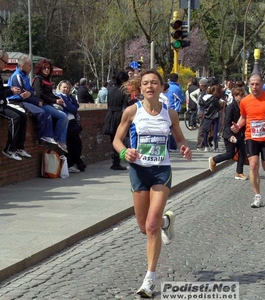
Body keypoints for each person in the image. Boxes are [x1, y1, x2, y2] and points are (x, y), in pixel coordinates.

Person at [112, 69, 192, 298]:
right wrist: (124, 152)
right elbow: (117, 140)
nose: (150, 86)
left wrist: (185, 147)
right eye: (146, 83)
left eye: (154, 83)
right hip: (138, 172)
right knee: (142, 226)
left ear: (161, 87)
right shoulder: (131, 111)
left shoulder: (171, 114)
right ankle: (167, 221)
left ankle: (149, 278)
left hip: (161, 172)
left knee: (150, 226)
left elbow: (179, 138)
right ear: (140, 88)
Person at [231, 73, 265, 208]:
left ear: (262, 84)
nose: (254, 87)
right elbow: (244, 117)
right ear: (249, 85)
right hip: (251, 137)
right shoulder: (245, 101)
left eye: (257, 84)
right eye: (252, 84)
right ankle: (257, 197)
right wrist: (238, 126)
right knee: (253, 165)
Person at [7, 55, 57, 147]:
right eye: (29, 65)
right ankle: (40, 138)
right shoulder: (17, 76)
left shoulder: (25, 76)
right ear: (22, 66)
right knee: (41, 113)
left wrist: (30, 94)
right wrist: (36, 101)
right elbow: (22, 95)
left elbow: (32, 91)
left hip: (27, 100)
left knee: (47, 112)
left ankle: (48, 136)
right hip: (18, 102)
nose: (31, 67)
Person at [209, 87, 248, 180]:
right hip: (230, 134)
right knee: (230, 154)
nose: (242, 97)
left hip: (240, 134)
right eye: (239, 95)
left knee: (242, 153)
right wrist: (230, 135)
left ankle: (239, 173)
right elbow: (226, 123)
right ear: (235, 96)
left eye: (243, 95)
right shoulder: (231, 107)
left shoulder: (243, 107)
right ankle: (214, 159)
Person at [0, 50, 31, 161]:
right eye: (5, 62)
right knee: (15, 118)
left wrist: (10, 89)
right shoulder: (16, 76)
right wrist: (10, 92)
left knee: (22, 115)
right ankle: (9, 148)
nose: (6, 65)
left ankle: (19, 147)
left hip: (3, 103)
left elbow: (1, 89)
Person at [32, 59, 69, 153]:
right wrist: (55, 100)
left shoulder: (47, 80)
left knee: (65, 117)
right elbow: (40, 95)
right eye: (44, 68)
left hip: (49, 104)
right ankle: (57, 139)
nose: (47, 70)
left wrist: (57, 98)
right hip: (43, 105)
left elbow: (50, 94)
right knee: (63, 117)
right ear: (40, 68)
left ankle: (61, 141)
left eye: (48, 68)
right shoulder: (38, 79)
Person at [56, 80, 86, 173]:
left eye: (67, 87)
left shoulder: (70, 97)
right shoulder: (59, 96)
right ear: (60, 87)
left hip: (73, 122)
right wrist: (70, 105)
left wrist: (71, 105)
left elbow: (76, 105)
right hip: (66, 122)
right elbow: (72, 108)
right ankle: (70, 164)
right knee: (72, 144)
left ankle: (72, 163)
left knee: (76, 144)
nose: (66, 89)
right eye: (64, 87)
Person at [103, 71, 130, 170]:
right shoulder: (123, 90)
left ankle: (115, 161)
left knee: (113, 139)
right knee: (119, 139)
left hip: (110, 115)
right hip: (119, 115)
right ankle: (116, 162)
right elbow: (127, 105)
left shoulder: (110, 89)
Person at [165, 73, 185, 151]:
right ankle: (173, 145)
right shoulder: (177, 88)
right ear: (177, 79)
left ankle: (167, 144)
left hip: (164, 109)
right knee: (174, 128)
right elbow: (182, 99)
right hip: (174, 110)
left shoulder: (166, 86)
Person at [200, 85, 222, 152]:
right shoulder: (214, 99)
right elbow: (219, 107)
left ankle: (206, 146)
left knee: (205, 131)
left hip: (207, 116)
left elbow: (200, 104)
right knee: (215, 132)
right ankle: (216, 147)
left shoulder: (203, 98)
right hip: (215, 116)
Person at [190, 78, 208, 150]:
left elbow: (191, 95)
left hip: (200, 111)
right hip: (202, 111)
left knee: (203, 127)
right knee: (202, 127)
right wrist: (197, 101)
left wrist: (196, 101)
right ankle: (200, 144)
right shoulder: (202, 92)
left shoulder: (200, 91)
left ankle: (202, 144)